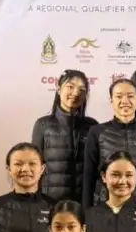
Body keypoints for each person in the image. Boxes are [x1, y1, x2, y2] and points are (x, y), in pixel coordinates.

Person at [82, 78, 136, 211]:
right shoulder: (97, 133)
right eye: (119, 96)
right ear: (111, 100)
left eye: (130, 96)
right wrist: (86, 214)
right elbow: (88, 177)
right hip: (104, 208)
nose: (125, 101)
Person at [31, 69, 97, 202]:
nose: (76, 93)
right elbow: (34, 167)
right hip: (50, 202)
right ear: (59, 89)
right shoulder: (43, 125)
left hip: (83, 203)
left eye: (82, 89)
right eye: (70, 87)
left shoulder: (92, 126)